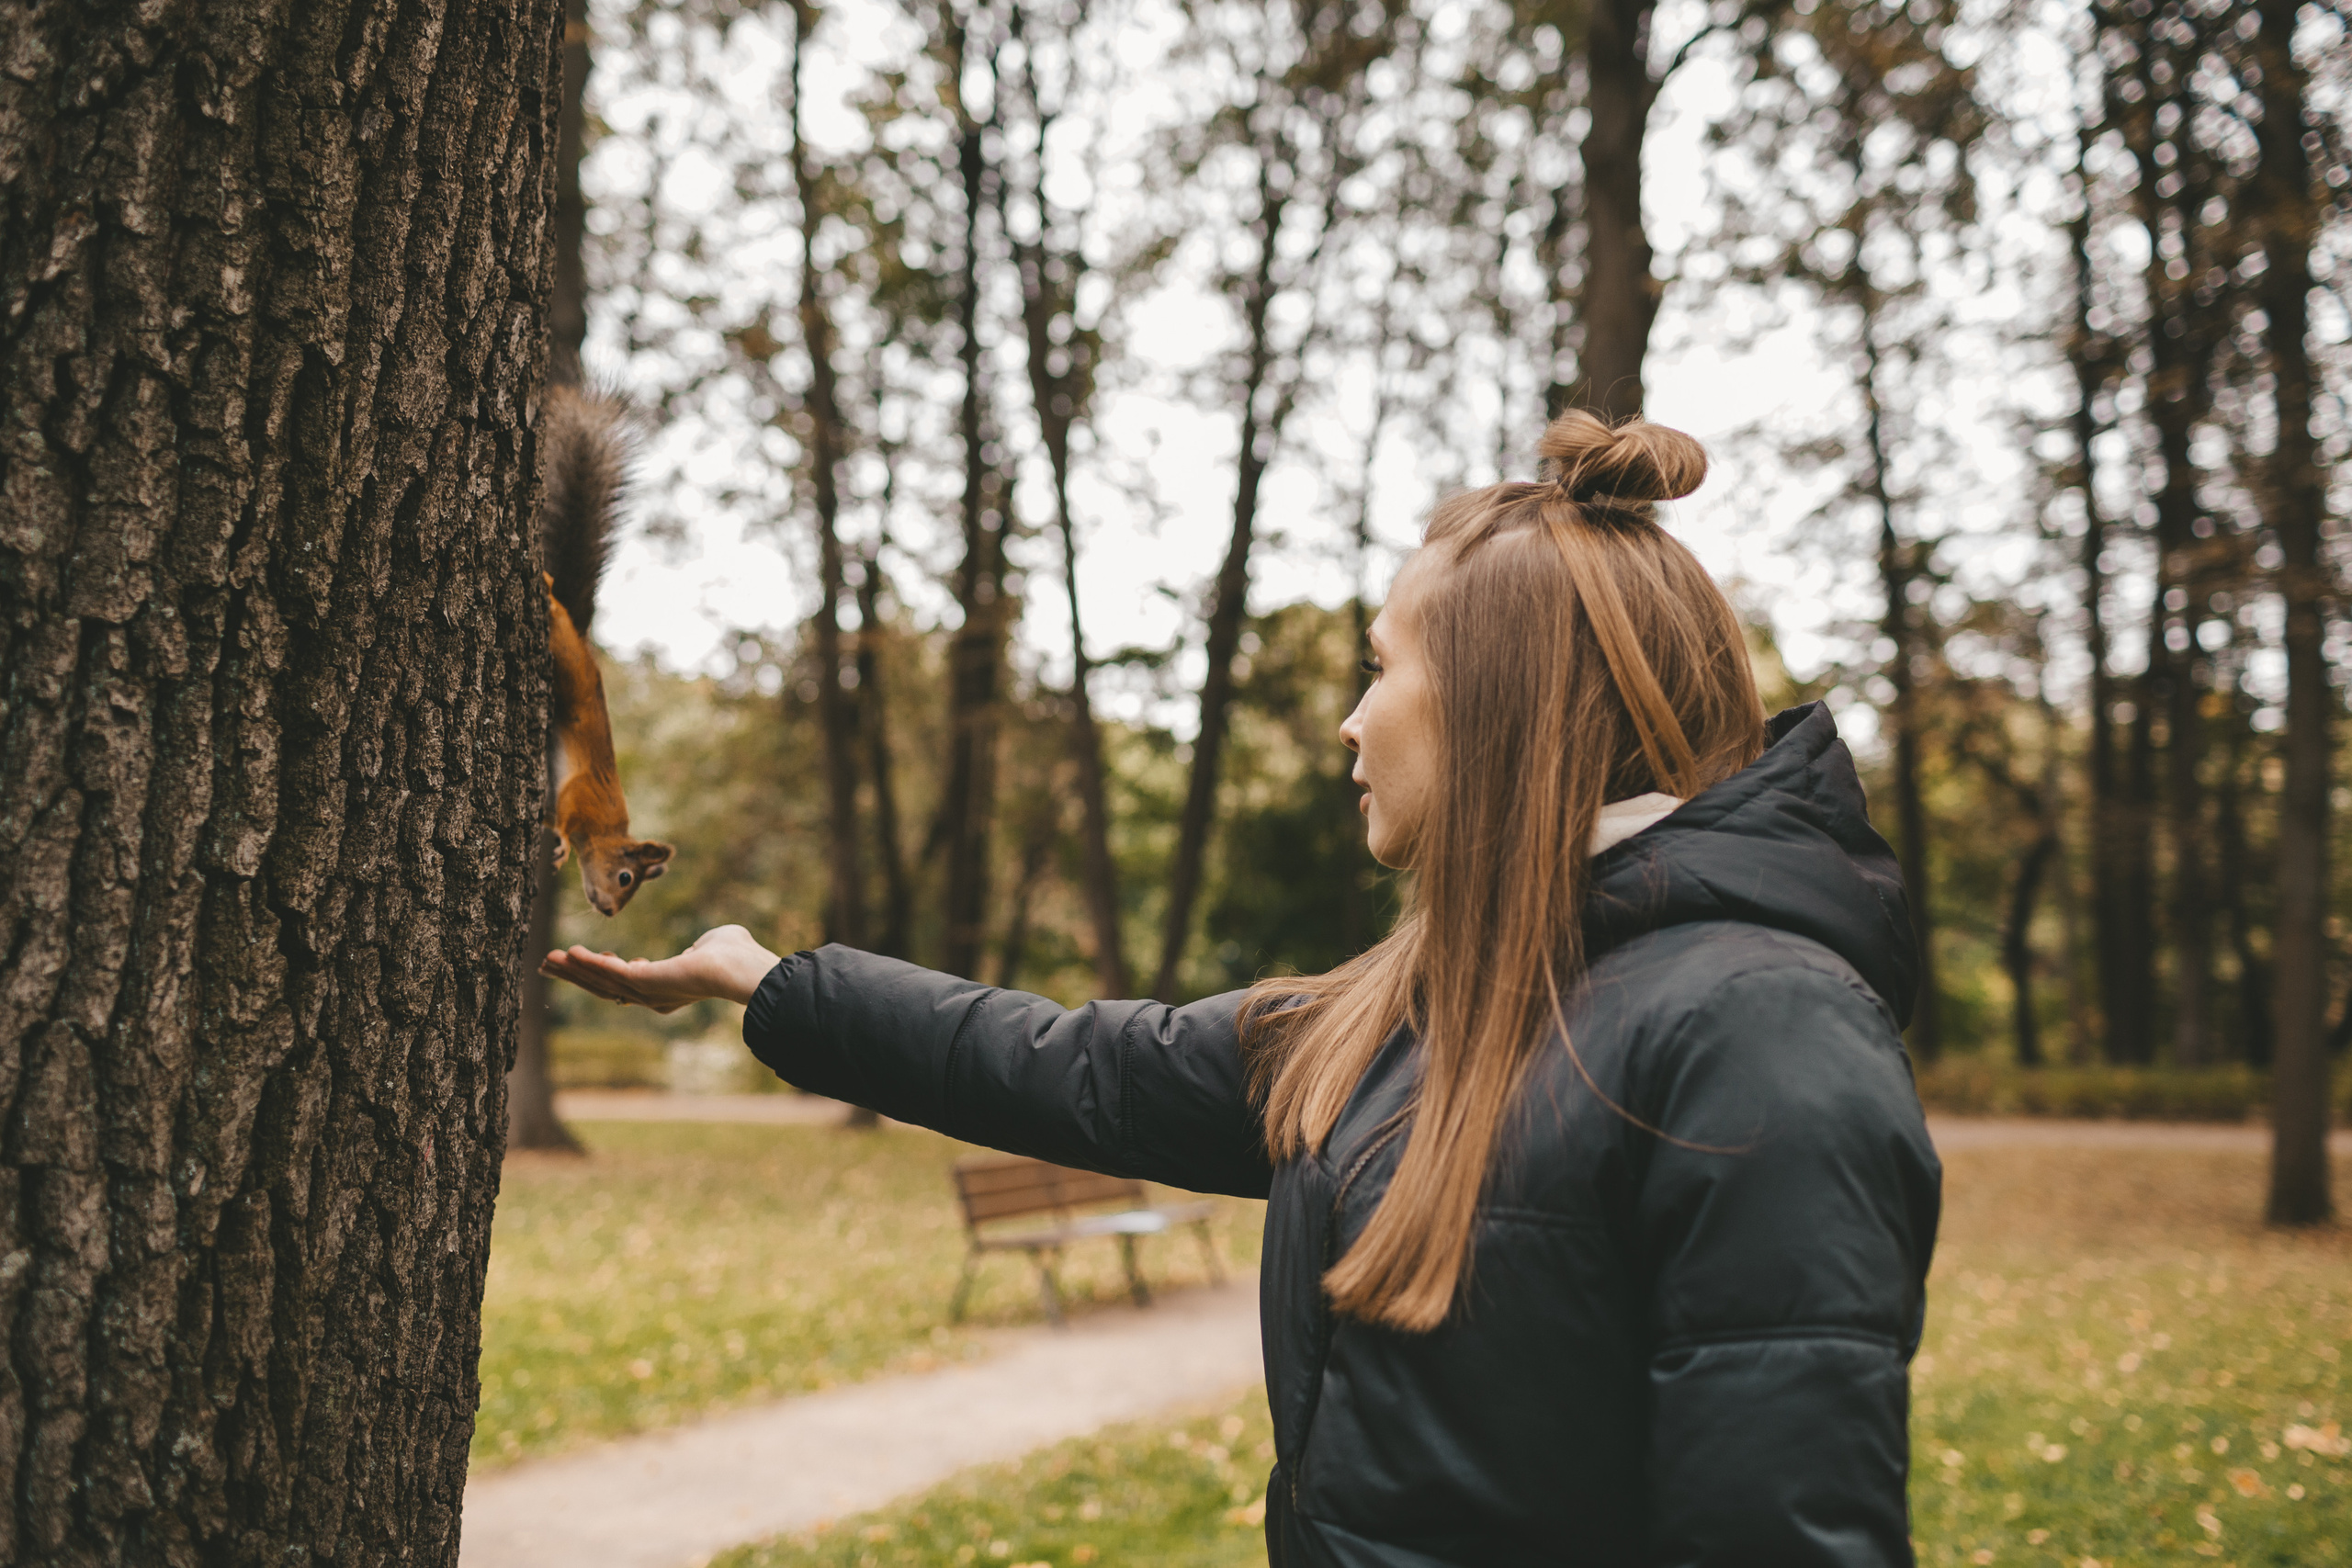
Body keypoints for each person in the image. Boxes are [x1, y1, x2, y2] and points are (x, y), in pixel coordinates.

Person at [545, 410, 1942, 1568]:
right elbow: (1077, 1066)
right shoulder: (1415, 1012)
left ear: (1502, 699)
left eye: (1382, 669)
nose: (1350, 717)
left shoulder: (1762, 1034)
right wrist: (771, 984)